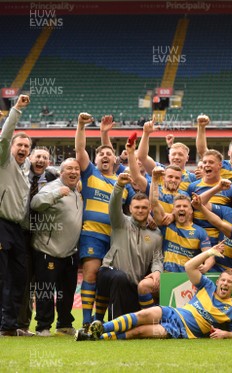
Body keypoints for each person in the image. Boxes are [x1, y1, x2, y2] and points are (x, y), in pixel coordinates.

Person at [75, 244, 232, 340]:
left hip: (180, 331)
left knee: (139, 332)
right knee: (143, 316)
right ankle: (102, 328)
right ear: (218, 281)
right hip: (174, 313)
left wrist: (224, 333)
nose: (225, 284)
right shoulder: (207, 285)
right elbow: (189, 266)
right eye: (223, 280)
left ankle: (93, 337)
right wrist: (210, 252)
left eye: (230, 282)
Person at [76, 113, 129, 328]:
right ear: (95, 160)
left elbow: (138, 205)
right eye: (102, 154)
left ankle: (99, 321)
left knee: (105, 279)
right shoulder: (90, 174)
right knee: (91, 274)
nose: (106, 156)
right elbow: (80, 150)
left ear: (116, 160)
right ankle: (87, 321)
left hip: (115, 239)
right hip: (92, 234)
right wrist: (81, 125)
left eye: (110, 154)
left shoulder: (123, 181)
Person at [94, 173, 163, 321]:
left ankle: (100, 321)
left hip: (133, 284)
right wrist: (119, 186)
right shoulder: (120, 223)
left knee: (132, 317)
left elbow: (158, 258)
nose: (140, 210)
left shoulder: (156, 233)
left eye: (144, 208)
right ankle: (109, 325)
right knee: (119, 278)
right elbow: (113, 205)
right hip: (109, 273)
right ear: (130, 208)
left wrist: (157, 272)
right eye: (136, 207)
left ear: (149, 208)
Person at [30, 158, 83, 336]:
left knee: (67, 292)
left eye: (76, 169)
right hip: (48, 251)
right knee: (45, 292)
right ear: (61, 172)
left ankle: (64, 324)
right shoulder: (52, 187)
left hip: (70, 253)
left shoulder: (78, 191)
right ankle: (43, 327)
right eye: (69, 168)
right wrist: (56, 194)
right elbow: (35, 204)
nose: (73, 172)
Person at [0, 95, 34, 337]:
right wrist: (17, 110)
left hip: (17, 230)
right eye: (19, 145)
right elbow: (4, 137)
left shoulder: (26, 170)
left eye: (26, 147)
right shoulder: (4, 161)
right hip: (0, 224)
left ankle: (9, 326)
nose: (22, 149)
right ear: (11, 148)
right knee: (1, 277)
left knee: (20, 277)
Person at [18, 146, 59, 334]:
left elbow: (68, 171)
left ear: (49, 162)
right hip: (22, 232)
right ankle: (22, 324)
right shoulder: (20, 175)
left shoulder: (52, 178)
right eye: (38, 156)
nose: (41, 160)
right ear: (30, 158)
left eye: (45, 157)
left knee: (41, 282)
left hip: (43, 235)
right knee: (23, 281)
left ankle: (43, 325)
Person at [150, 167, 211, 273]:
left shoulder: (200, 231)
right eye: (170, 176)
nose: (173, 180)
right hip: (165, 272)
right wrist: (154, 179)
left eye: (177, 177)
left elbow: (210, 254)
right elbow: (154, 202)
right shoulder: (166, 226)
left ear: (191, 210)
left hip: (188, 276)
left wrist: (206, 267)